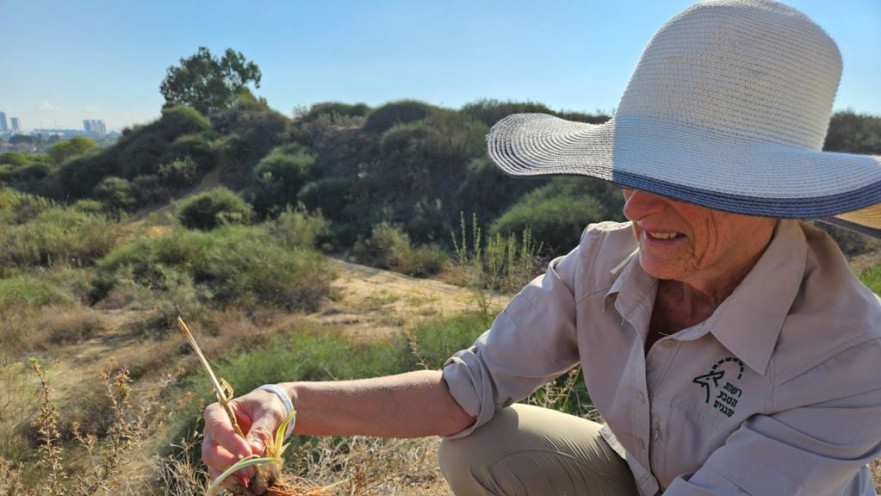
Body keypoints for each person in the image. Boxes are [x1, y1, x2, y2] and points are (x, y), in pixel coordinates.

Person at [203, 0, 881, 494]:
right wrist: (286, 401)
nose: (634, 206)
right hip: (644, 478)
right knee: (482, 446)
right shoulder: (604, 259)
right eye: (632, 173)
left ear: (772, 195)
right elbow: (466, 389)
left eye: (677, 182)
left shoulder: (854, 359)